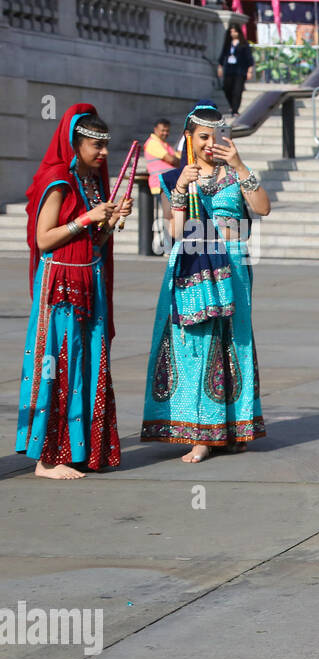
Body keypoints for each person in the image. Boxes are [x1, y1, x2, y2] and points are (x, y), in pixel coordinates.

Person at [142, 102, 270, 461]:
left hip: (233, 265)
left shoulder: (234, 175)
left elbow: (262, 208)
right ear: (188, 137)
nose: (210, 144)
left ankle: (236, 428)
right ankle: (201, 434)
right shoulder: (174, 179)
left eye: (216, 137)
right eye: (202, 137)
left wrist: (241, 165)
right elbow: (176, 231)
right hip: (193, 265)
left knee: (235, 342)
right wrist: (181, 188)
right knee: (195, 347)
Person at [17, 104, 130, 479]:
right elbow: (44, 238)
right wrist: (86, 218)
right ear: (75, 143)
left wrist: (110, 222)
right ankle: (47, 457)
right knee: (58, 365)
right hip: (61, 285)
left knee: (88, 363)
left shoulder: (92, 182)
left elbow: (94, 242)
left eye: (105, 146)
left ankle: (81, 449)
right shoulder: (58, 181)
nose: (103, 154)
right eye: (95, 146)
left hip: (89, 282)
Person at [218, 25, 255, 115]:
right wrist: (220, 67)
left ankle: (235, 110)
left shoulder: (243, 44)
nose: (233, 34)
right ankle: (232, 105)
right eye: (231, 32)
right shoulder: (228, 44)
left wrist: (249, 71)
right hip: (229, 69)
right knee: (227, 88)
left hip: (240, 70)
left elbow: (249, 59)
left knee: (237, 90)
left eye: (235, 31)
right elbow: (223, 56)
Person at [143, 119, 182, 196]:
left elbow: (179, 158)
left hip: (169, 183)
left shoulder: (164, 144)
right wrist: (179, 161)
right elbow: (172, 160)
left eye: (167, 131)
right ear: (155, 129)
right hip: (161, 184)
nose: (165, 133)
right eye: (163, 130)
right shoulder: (152, 143)